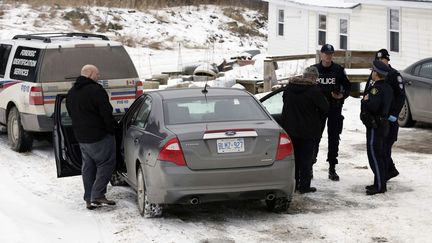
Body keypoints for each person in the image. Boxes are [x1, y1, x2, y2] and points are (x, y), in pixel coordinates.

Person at [66, 64, 117, 210]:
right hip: (99, 136)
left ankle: (89, 198)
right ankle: (97, 195)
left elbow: (71, 113)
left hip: (81, 137)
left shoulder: (71, 92)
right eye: (97, 74)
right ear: (89, 74)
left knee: (88, 166)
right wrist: (111, 130)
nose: (99, 76)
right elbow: (106, 113)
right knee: (106, 164)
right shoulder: (96, 91)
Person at [281, 66, 329, 193]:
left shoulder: (289, 88)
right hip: (308, 131)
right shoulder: (314, 91)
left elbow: (284, 101)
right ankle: (304, 186)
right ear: (313, 78)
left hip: (290, 130)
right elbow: (325, 107)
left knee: (294, 159)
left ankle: (294, 183)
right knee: (306, 160)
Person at [312, 44, 351, 181]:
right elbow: (307, 87)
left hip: (334, 108)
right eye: (326, 54)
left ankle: (332, 167)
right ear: (321, 55)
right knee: (314, 137)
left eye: (331, 54)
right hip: (318, 110)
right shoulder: (314, 70)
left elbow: (348, 87)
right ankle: (310, 166)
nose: (328, 56)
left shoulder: (339, 70)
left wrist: (342, 95)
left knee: (334, 138)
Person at [364, 49, 405, 181]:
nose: (381, 62)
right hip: (377, 118)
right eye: (379, 60)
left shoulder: (394, 75)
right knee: (380, 148)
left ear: (388, 60)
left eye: (383, 59)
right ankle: (387, 172)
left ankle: (384, 176)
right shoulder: (374, 74)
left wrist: (394, 114)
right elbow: (368, 91)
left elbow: (401, 96)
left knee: (385, 148)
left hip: (389, 118)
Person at [360, 60, 393, 195]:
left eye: (373, 71)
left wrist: (366, 100)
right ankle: (379, 182)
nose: (372, 74)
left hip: (375, 125)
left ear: (377, 73)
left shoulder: (376, 89)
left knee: (374, 155)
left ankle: (380, 186)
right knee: (379, 154)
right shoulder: (388, 87)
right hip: (383, 124)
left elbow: (374, 106)